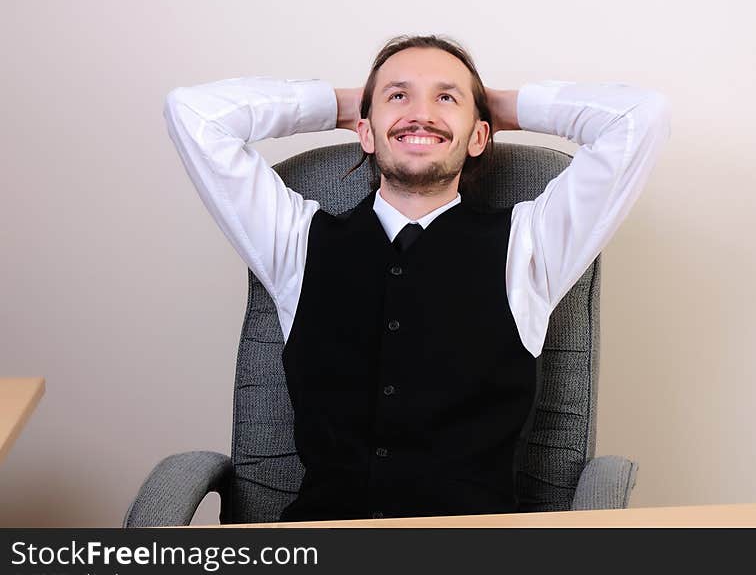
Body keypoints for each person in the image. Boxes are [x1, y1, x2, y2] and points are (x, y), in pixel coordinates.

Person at [163, 34, 671, 522]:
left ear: (479, 137)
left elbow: (639, 118)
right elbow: (193, 113)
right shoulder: (294, 242)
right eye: (398, 96)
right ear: (364, 131)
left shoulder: (531, 246)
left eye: (445, 98)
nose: (421, 112)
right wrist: (345, 105)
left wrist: (495, 106)